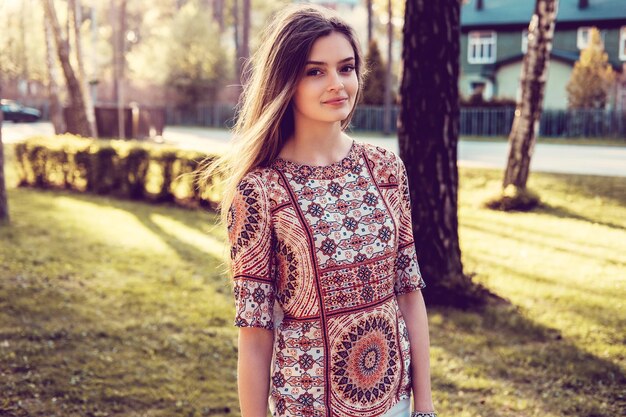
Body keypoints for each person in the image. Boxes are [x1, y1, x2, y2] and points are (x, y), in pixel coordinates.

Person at [200, 4, 437, 417]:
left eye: (345, 68)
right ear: (286, 81)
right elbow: (255, 335)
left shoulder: (385, 168)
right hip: (308, 407)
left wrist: (424, 405)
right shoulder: (260, 191)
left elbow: (409, 291)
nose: (336, 84)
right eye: (315, 71)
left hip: (394, 403)